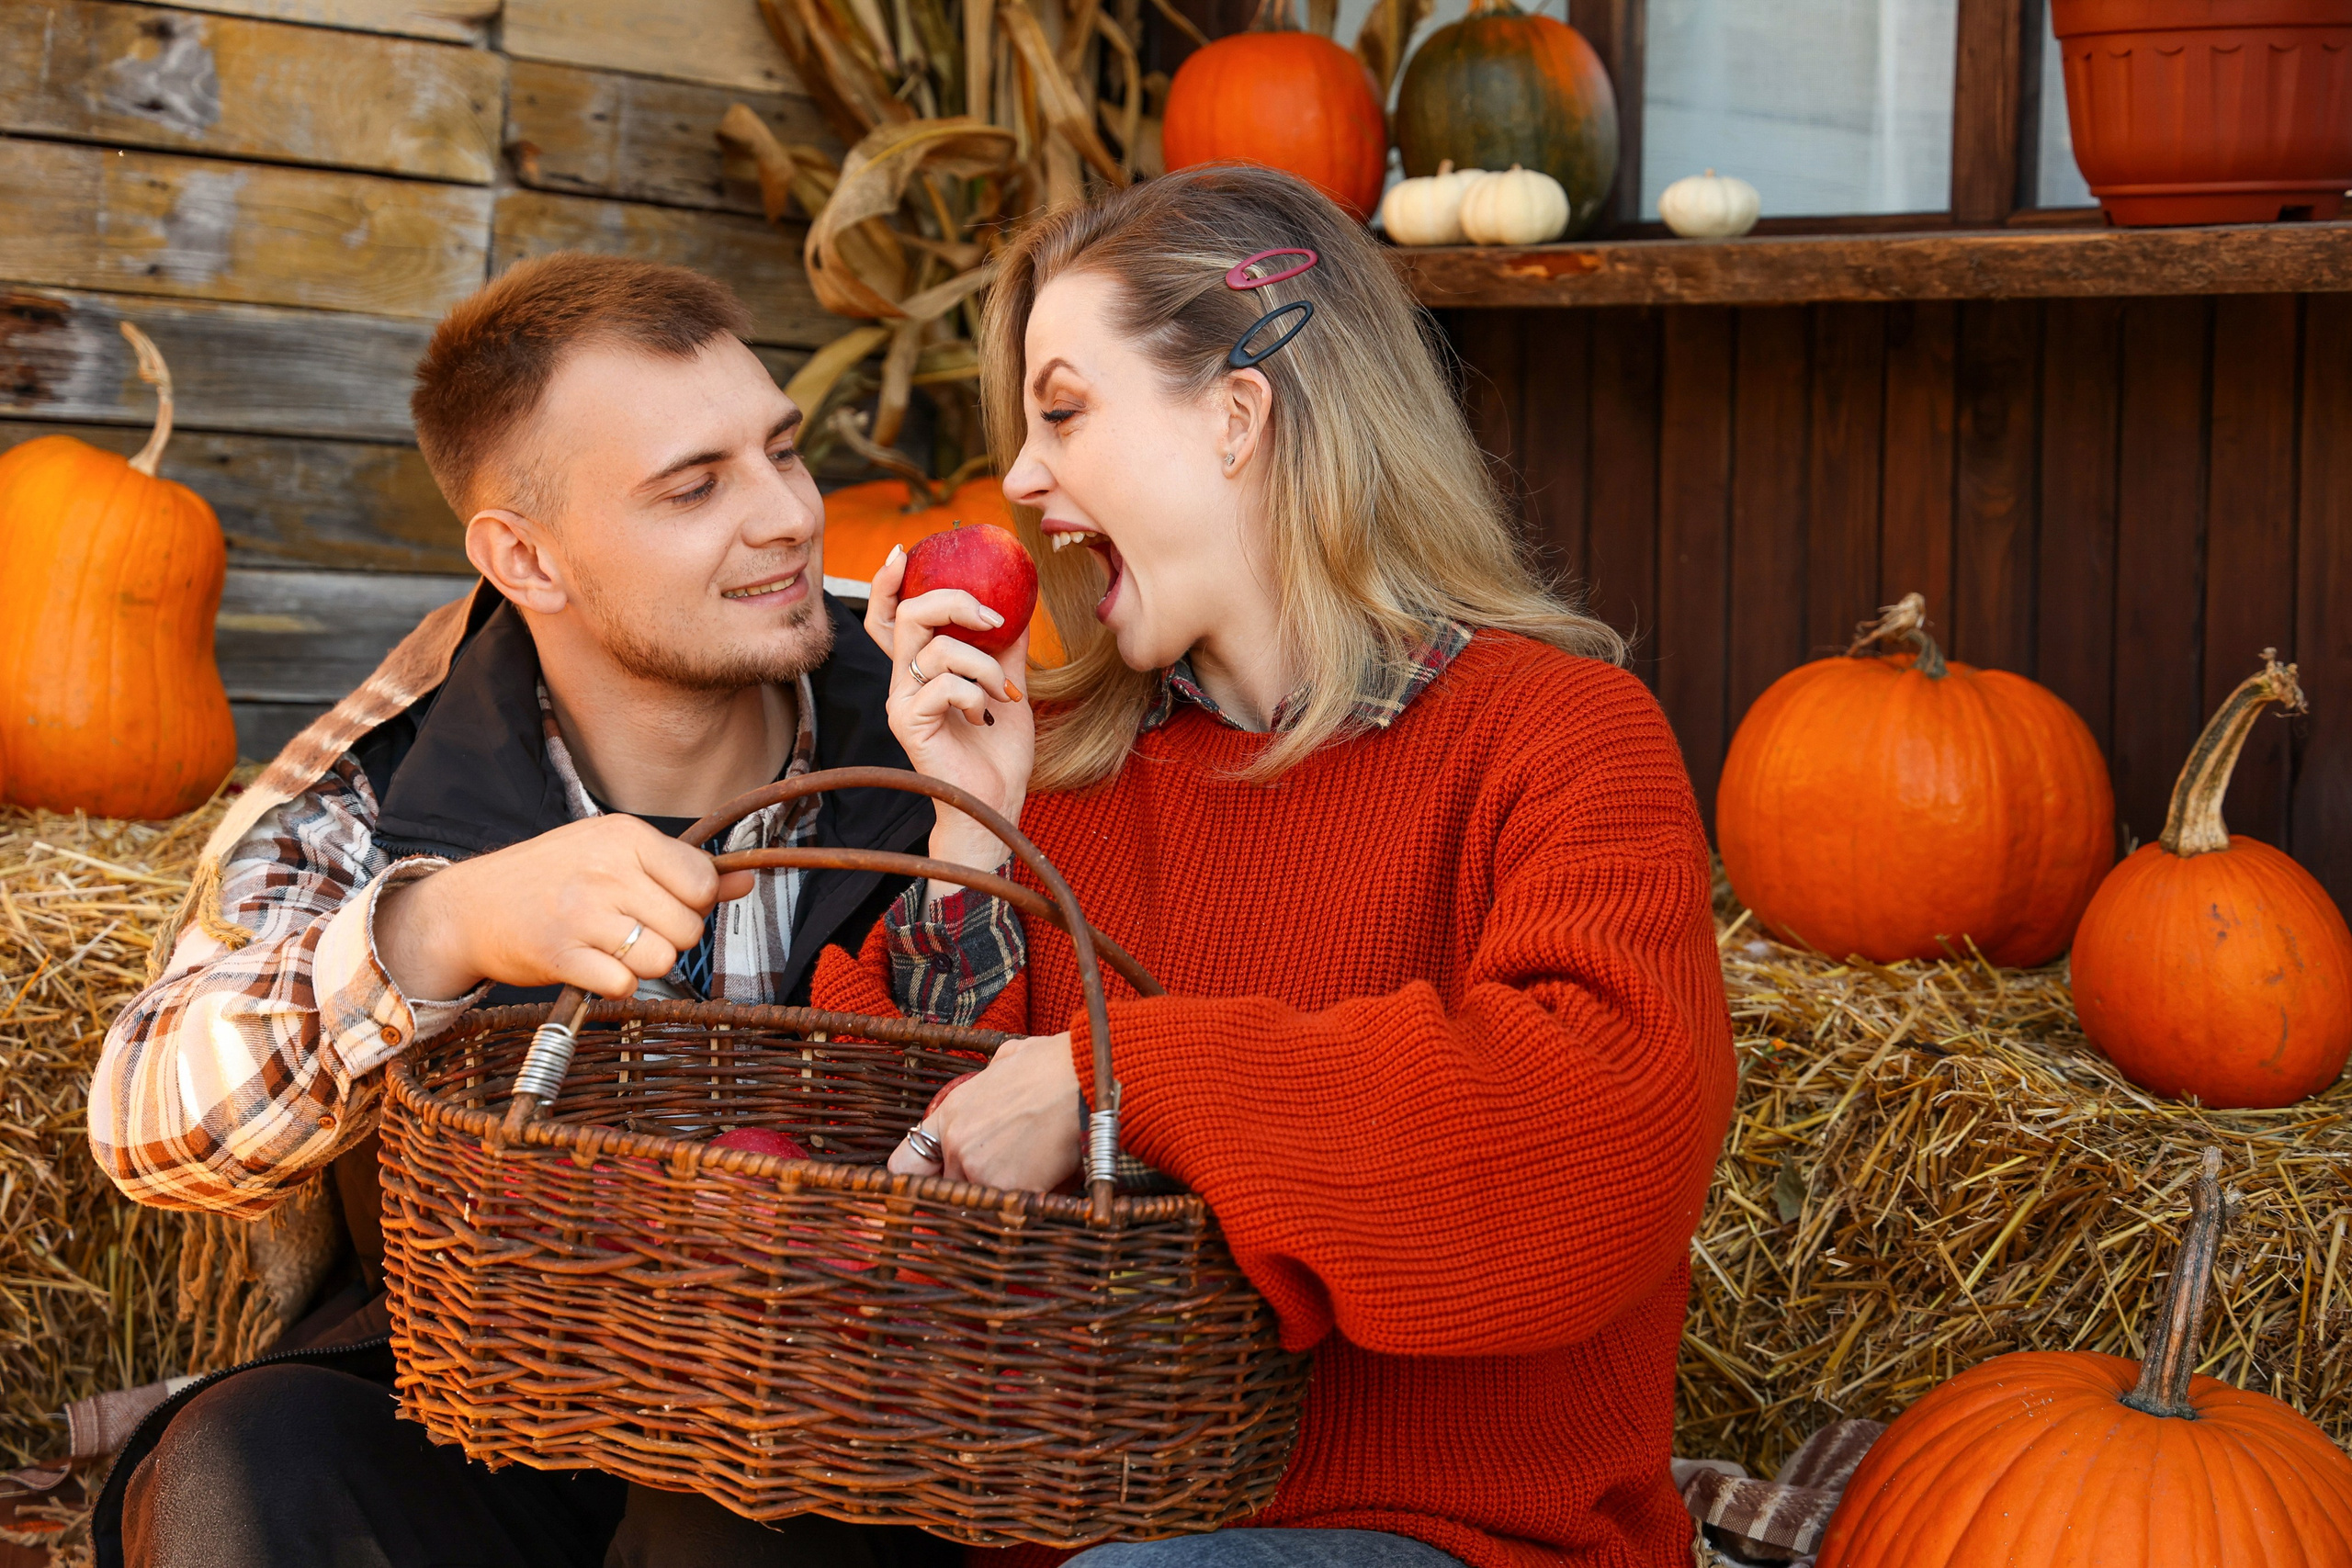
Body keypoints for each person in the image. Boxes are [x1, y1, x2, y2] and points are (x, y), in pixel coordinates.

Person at [820, 165, 1737, 1568]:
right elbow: (886, 1199)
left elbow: (1596, 1137)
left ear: (1239, 415)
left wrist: (1113, 1078)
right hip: (1039, 1529)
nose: (1018, 480)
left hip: (1446, 1534)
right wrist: (965, 839)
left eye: (1062, 411)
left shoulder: (1559, 738)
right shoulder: (1042, 763)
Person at [85, 253, 954, 1568]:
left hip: (838, 1424)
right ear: (525, 559)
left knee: (727, 1515)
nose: (785, 516)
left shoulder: (926, 713)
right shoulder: (394, 784)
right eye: (696, 486)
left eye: (782, 451)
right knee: (243, 1467)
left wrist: (965, 810)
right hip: (487, 1401)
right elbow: (146, 1122)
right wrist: (437, 932)